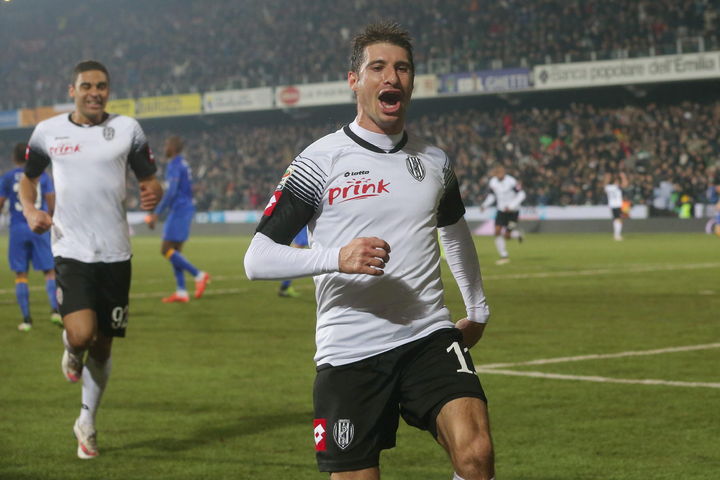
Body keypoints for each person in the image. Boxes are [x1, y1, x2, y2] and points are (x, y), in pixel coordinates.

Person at [244, 23, 494, 480]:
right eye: (377, 67)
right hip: (350, 349)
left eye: (402, 68)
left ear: (412, 82)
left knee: (476, 455)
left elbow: (455, 232)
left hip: (428, 335)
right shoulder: (319, 161)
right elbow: (257, 258)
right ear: (354, 81)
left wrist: (476, 309)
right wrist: (336, 257)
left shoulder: (435, 161)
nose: (391, 77)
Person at [19, 60, 163, 460]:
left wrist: (155, 193)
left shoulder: (128, 129)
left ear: (108, 91)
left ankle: (86, 422)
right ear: (73, 91)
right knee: (83, 334)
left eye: (101, 86)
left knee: (102, 346)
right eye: (86, 86)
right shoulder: (48, 131)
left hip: (116, 252)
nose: (95, 92)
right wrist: (30, 210)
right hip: (71, 248)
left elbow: (150, 180)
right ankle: (71, 345)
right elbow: (28, 179)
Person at [0, 142, 61, 331]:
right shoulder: (42, 175)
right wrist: (50, 218)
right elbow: (51, 201)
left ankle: (26, 320)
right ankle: (55, 311)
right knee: (50, 271)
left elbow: (0, 202)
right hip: (39, 227)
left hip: (18, 228)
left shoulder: (7, 177)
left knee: (21, 274)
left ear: (14, 158)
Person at [145, 135, 210, 303]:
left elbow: (172, 191)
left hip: (180, 209)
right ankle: (181, 292)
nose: (165, 148)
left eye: (167, 145)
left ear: (173, 147)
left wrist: (156, 213)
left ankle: (199, 275)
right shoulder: (183, 163)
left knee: (165, 249)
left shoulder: (174, 164)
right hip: (185, 207)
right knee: (175, 252)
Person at [480, 164, 526, 265]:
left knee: (507, 236)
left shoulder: (512, 181)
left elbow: (522, 194)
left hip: (513, 212)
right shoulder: (493, 182)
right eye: (497, 172)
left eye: (500, 172)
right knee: (497, 231)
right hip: (501, 210)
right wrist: (484, 205)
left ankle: (518, 234)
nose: (499, 174)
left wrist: (511, 206)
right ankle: (504, 256)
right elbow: (492, 196)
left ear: (504, 172)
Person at [278, 226, 309, 298]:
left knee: (295, 255)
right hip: (305, 225)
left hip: (306, 225)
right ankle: (284, 287)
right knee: (295, 256)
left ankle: (284, 286)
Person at [604, 171, 629, 240]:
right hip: (618, 205)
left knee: (617, 219)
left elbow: (605, 186)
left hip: (612, 205)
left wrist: (606, 178)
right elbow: (625, 184)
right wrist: (623, 177)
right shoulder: (617, 187)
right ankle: (617, 235)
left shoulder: (608, 187)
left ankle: (616, 234)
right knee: (619, 219)